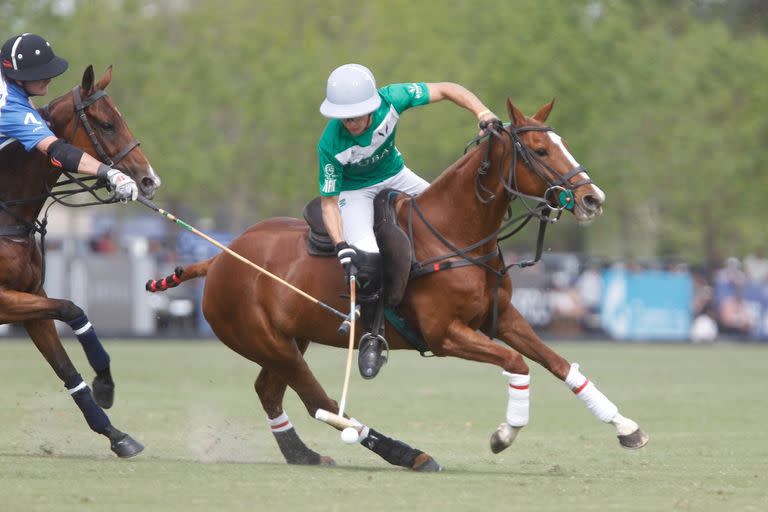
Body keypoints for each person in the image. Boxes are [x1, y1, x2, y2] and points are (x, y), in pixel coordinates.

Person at [317, 63, 498, 379]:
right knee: (369, 261)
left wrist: (482, 112)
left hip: (396, 174)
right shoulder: (330, 144)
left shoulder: (393, 99)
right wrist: (341, 245)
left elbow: (445, 88)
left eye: (356, 116)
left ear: (372, 105)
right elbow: (329, 202)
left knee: (448, 224)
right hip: (355, 192)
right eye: (344, 117)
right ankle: (372, 337)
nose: (351, 123)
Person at [0, 33, 137, 201]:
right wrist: (110, 173)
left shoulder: (6, 73)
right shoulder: (11, 108)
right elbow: (57, 151)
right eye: (39, 74)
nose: (49, 78)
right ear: (18, 79)